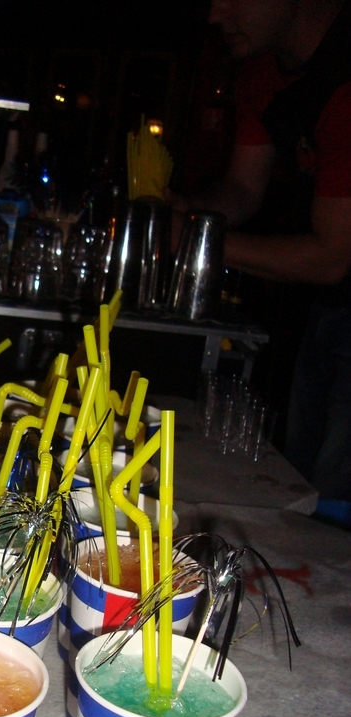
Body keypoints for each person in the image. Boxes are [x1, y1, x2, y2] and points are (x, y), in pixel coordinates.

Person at [168, 0, 351, 500]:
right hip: (324, 310)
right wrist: (189, 215)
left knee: (334, 493)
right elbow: (242, 190)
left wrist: (196, 239)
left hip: (335, 289)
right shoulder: (262, 69)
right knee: (298, 483)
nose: (214, 15)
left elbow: (333, 257)